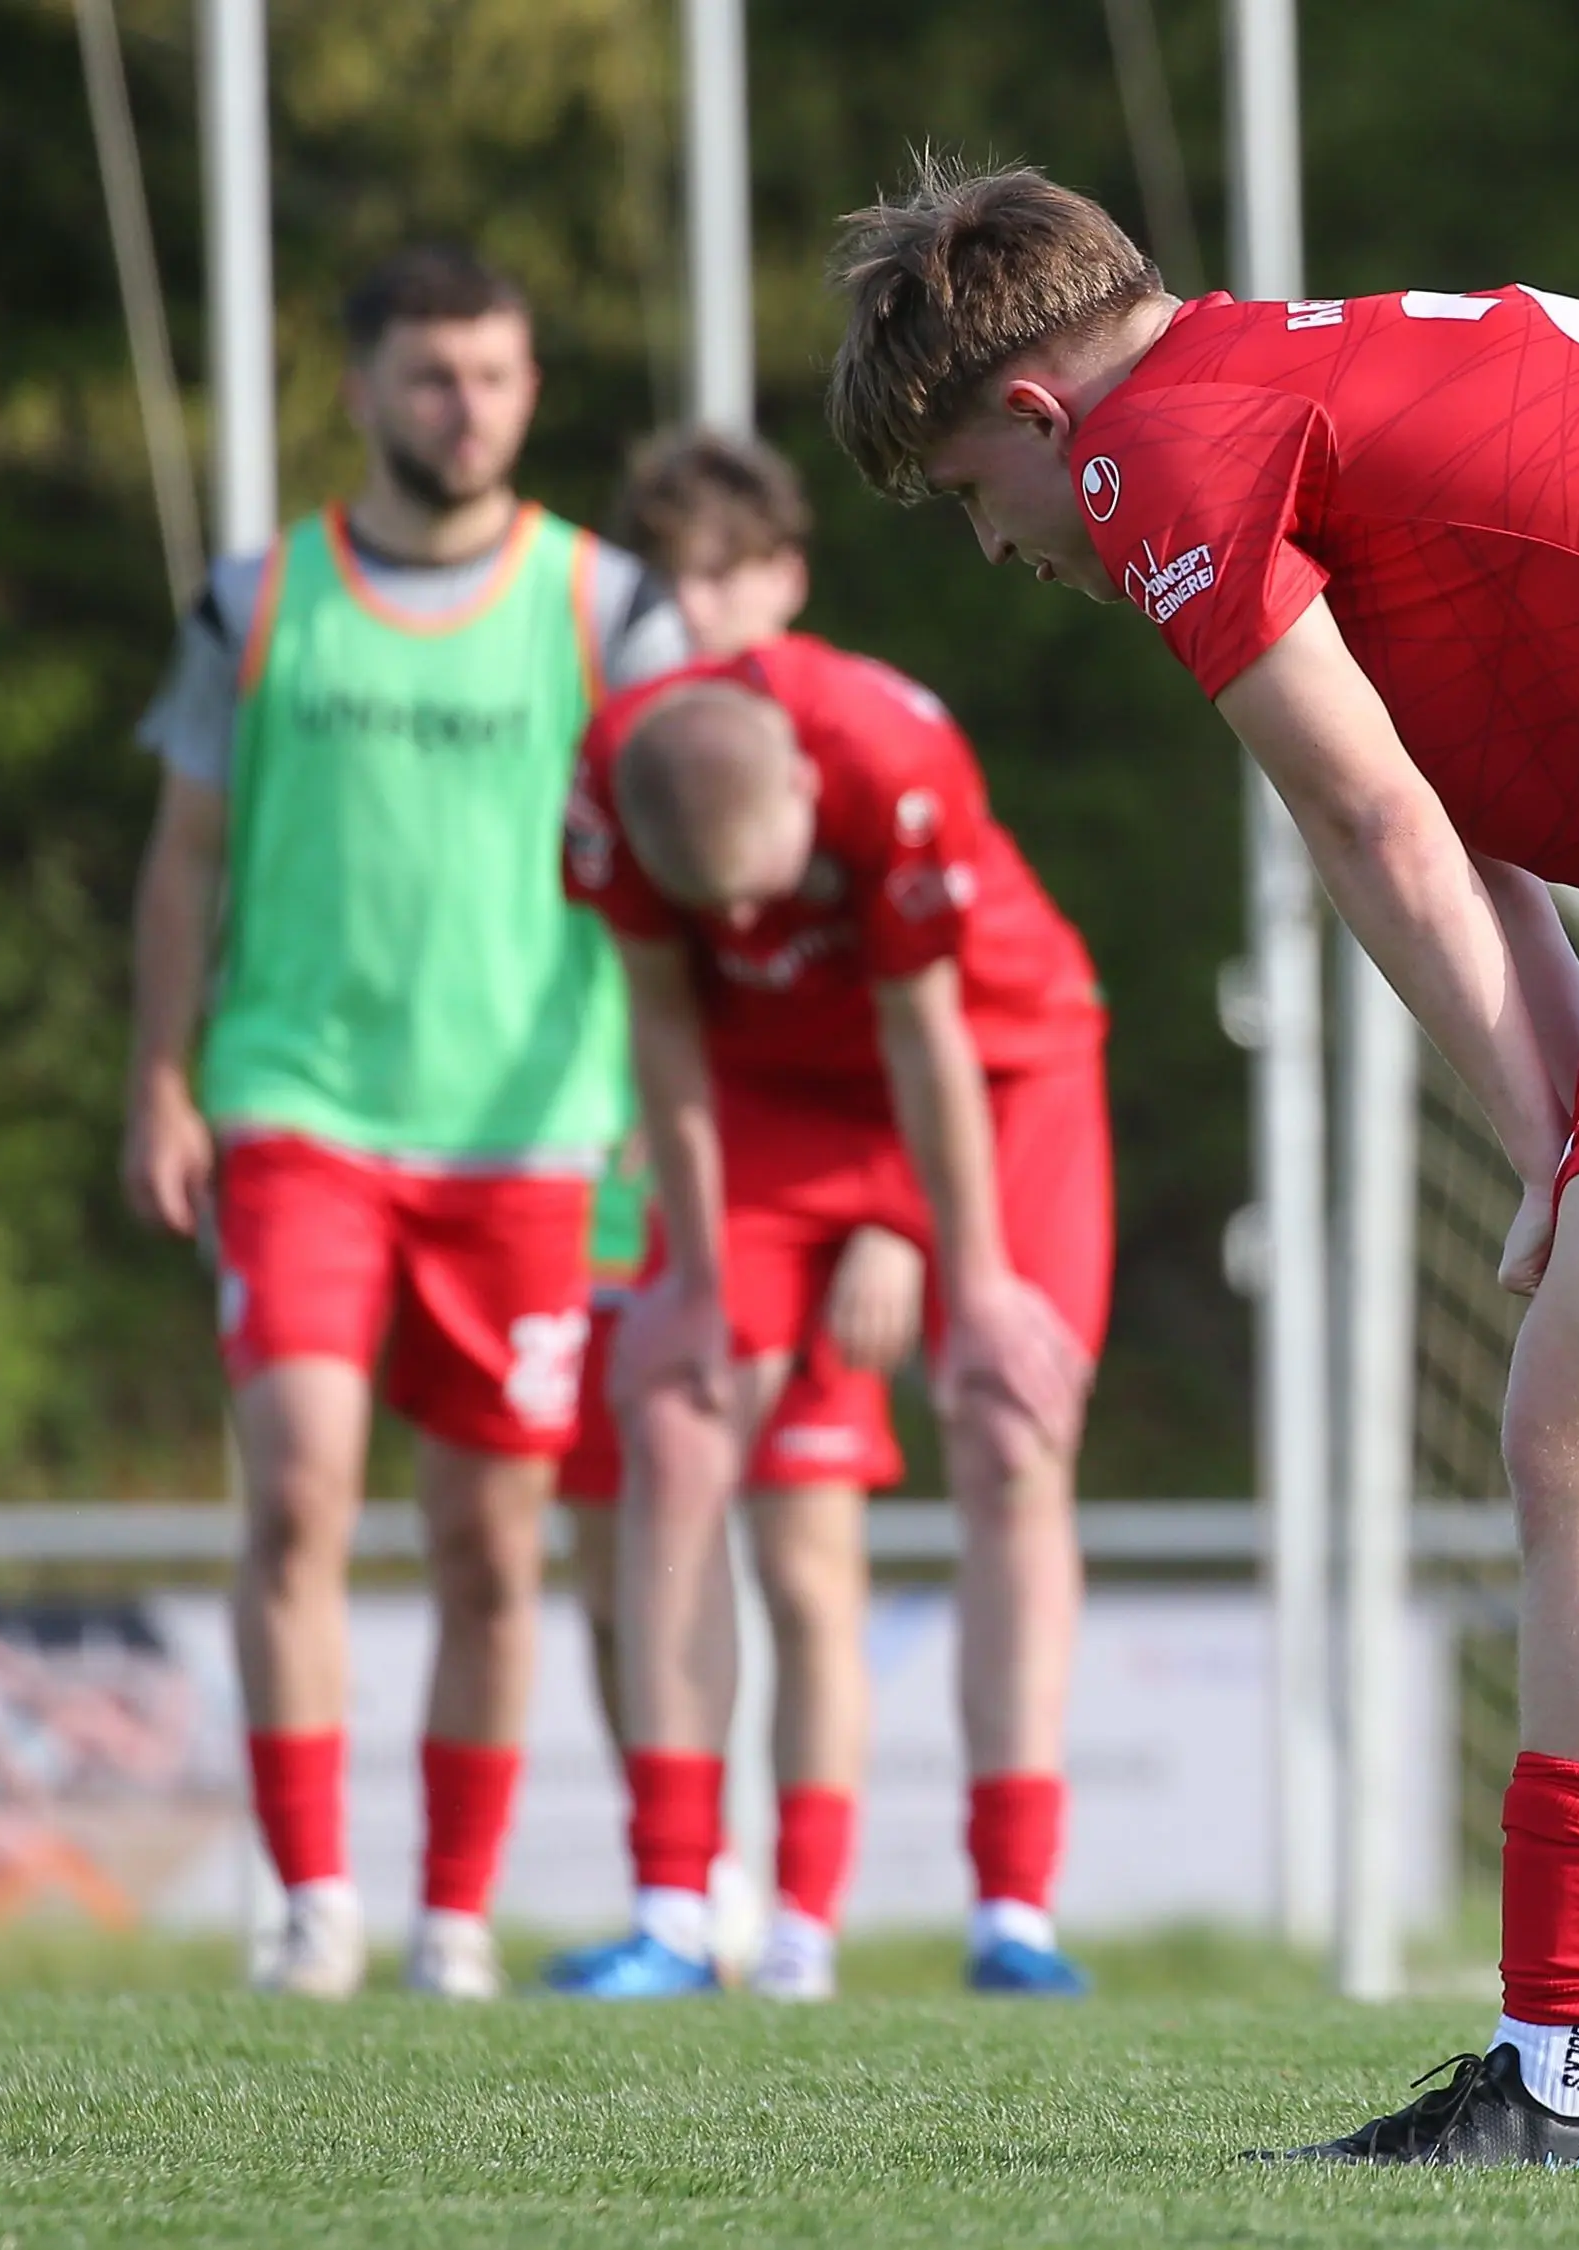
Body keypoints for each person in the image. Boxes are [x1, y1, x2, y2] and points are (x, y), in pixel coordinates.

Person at [826, 163, 1579, 2163]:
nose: (999, 549)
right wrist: (1564, 1141)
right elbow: (1448, 815)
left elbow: (1377, 827)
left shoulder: (1158, 445)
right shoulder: (1302, 370)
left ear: (1041, 415)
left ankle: (1560, 2074)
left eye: (973, 495)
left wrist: (1550, 1159)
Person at [122, 243, 688, 2001]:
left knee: (488, 1544)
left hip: (528, 1137)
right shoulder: (255, 602)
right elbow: (185, 859)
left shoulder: (609, 608)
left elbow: (689, 871)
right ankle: (308, 1905)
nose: (469, 409)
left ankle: (454, 1912)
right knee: (296, 1493)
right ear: (361, 388)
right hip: (299, 1110)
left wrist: (672, 1110)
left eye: (499, 377)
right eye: (433, 377)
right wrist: (159, 1073)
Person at [556, 429, 1115, 2000]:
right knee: (673, 1421)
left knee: (1011, 1426)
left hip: (993, 1073)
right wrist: (689, 1270)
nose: (745, 926)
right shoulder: (617, 771)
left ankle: (1016, 1909)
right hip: (780, 1102)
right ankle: (679, 1902)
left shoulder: (885, 748)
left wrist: (976, 1274)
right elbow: (664, 1026)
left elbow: (928, 1030)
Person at [550, 1129, 923, 2001]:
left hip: (793, 1228)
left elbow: (890, 1037)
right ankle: (697, 1890)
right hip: (605, 1255)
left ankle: (803, 1927)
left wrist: (895, 1216)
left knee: (811, 1583)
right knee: (623, 1597)